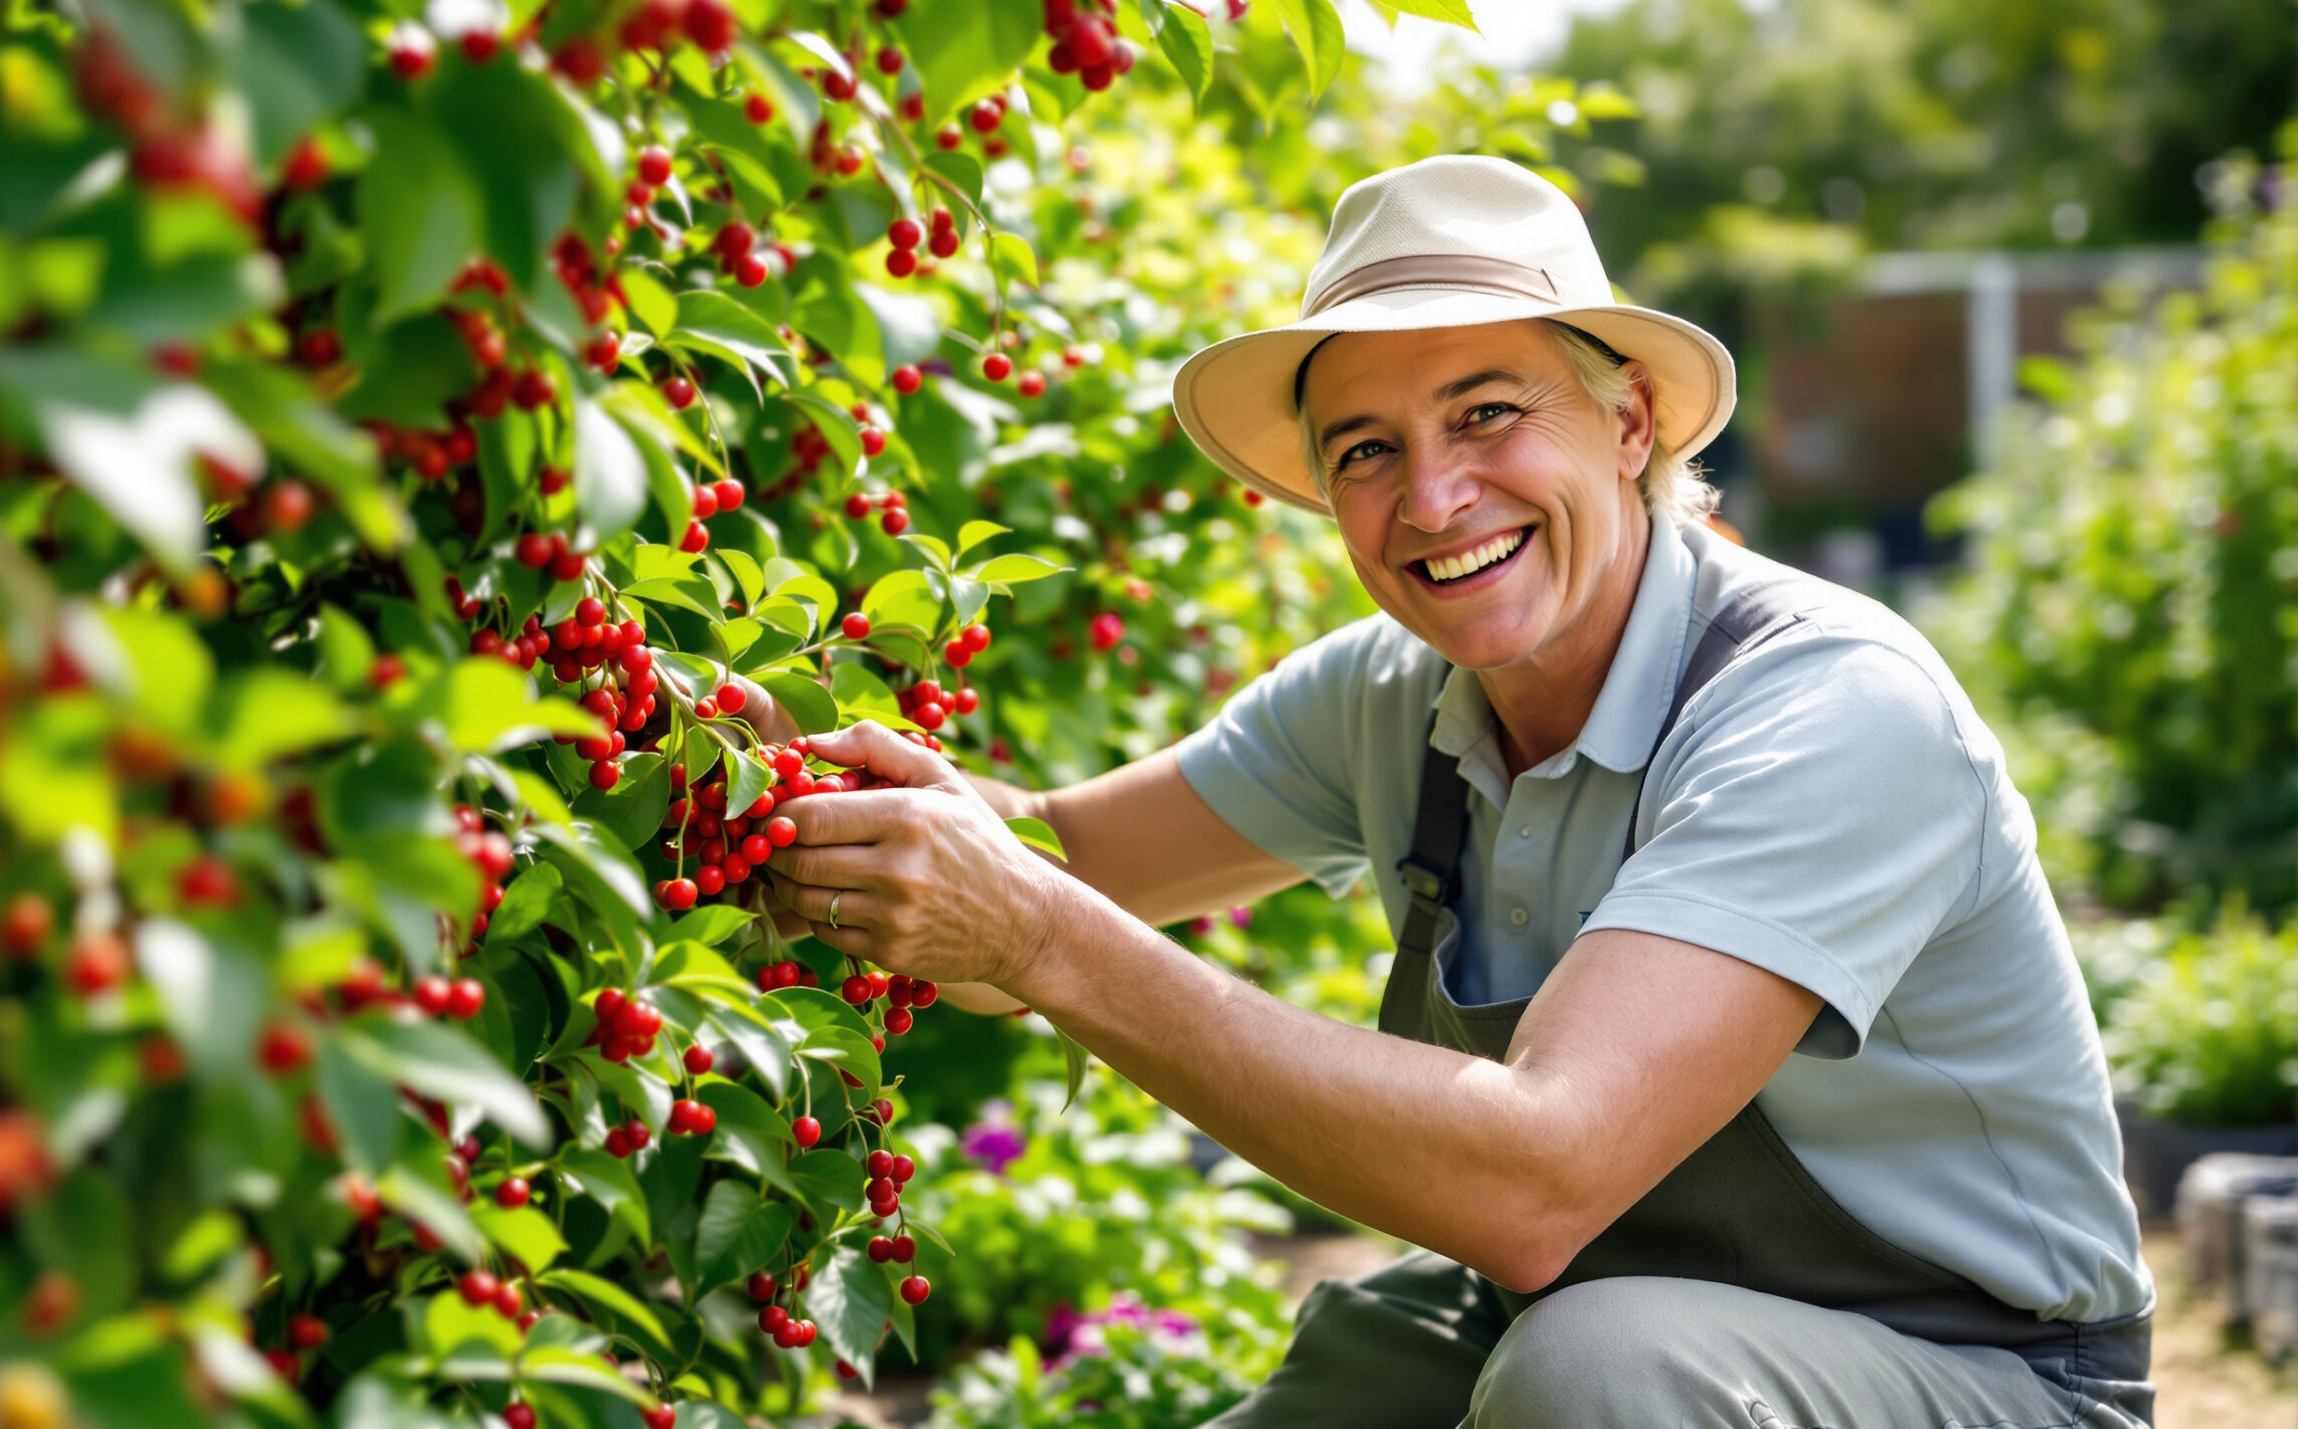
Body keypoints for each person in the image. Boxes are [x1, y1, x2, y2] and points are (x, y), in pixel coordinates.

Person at [754, 156, 2156, 1427]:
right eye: (1367, 448)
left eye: (1487, 414)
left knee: (1591, 1373)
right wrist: (813, 790)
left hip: (1987, 1374)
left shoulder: (1824, 707)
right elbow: (1067, 865)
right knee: (1357, 1382)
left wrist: (1040, 937)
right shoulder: (1385, 693)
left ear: (1630, 421)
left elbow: (1540, 1181)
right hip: (1600, 1311)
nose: (1431, 500)